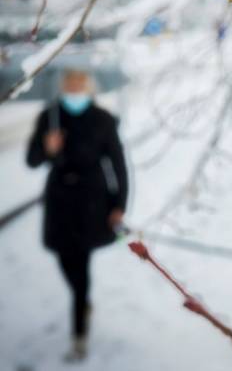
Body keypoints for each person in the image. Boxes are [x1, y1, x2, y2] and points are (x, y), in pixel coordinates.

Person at [26, 69, 128, 362]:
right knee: (63, 257)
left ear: (88, 85)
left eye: (79, 81)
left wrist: (119, 203)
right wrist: (47, 149)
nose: (73, 86)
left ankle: (79, 334)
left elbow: (118, 165)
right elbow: (31, 161)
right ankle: (81, 301)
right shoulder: (50, 116)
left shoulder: (103, 119)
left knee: (81, 268)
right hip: (59, 201)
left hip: (92, 202)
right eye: (69, 81)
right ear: (62, 85)